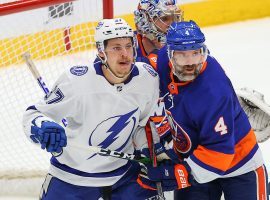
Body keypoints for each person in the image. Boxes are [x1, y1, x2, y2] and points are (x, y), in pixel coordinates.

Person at [22, 18, 162, 200]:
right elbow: (33, 114)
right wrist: (43, 126)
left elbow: (143, 125)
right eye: (116, 48)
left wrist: (149, 150)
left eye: (128, 46)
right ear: (101, 52)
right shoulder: (77, 81)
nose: (125, 54)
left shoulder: (147, 78)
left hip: (124, 173)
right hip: (71, 177)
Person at [138, 20, 269, 200]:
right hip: (195, 158)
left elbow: (220, 153)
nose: (190, 62)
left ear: (203, 52)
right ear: (169, 55)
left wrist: (179, 174)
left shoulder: (214, 93)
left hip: (240, 166)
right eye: (182, 55)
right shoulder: (161, 62)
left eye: (195, 53)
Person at [134, 0, 270, 143]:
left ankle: (232, 112)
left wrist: (222, 101)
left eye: (176, 18)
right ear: (145, 20)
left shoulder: (184, 46)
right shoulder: (127, 47)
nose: (173, 24)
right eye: (165, 18)